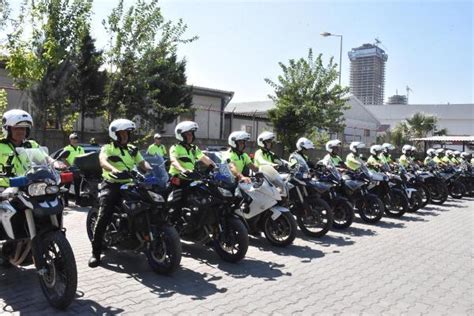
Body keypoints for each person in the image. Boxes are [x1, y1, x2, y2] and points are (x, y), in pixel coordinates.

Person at [88, 119, 152, 268]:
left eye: (127, 133)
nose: (125, 136)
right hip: (111, 184)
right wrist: (113, 169)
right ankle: (96, 253)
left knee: (147, 203)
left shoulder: (132, 149)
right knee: (104, 215)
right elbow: (103, 161)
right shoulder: (108, 148)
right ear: (114, 134)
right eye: (121, 133)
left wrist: (149, 168)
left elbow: (142, 162)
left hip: (129, 184)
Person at [61, 132, 85, 206]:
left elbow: (84, 158)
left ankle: (78, 201)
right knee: (67, 186)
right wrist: (69, 166)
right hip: (69, 170)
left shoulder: (80, 148)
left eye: (76, 138)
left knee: (77, 186)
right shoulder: (67, 148)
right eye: (73, 138)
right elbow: (64, 158)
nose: (75, 140)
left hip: (78, 170)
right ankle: (66, 202)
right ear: (70, 140)